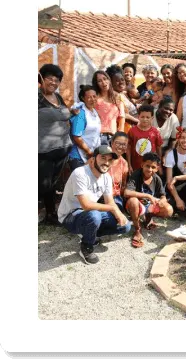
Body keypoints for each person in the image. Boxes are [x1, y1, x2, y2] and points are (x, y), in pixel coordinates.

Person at [57, 145, 132, 264]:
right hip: (70, 216)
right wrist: (113, 208)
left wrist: (118, 213)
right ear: (92, 160)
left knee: (125, 226)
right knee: (94, 216)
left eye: (110, 160)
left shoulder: (106, 177)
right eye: (103, 158)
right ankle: (86, 247)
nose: (106, 163)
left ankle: (89, 233)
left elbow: (109, 201)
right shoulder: (80, 173)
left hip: (89, 214)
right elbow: (86, 205)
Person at [38, 64, 73, 225]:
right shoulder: (37, 97)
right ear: (41, 79)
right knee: (43, 185)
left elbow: (64, 114)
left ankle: (51, 214)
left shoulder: (58, 97)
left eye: (57, 80)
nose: (53, 82)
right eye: (49, 78)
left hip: (62, 149)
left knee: (52, 184)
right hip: (44, 151)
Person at [124, 153, 174, 248]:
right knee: (133, 201)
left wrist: (162, 201)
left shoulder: (157, 179)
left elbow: (163, 196)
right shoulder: (136, 174)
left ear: (157, 168)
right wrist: (148, 196)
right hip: (135, 206)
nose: (150, 169)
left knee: (169, 210)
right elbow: (127, 192)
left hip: (148, 206)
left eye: (153, 167)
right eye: (147, 166)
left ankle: (148, 218)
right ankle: (137, 229)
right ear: (142, 165)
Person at [68, 85, 101, 171]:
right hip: (78, 156)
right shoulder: (80, 113)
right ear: (83, 98)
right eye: (89, 97)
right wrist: (89, 152)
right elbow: (76, 137)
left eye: (94, 96)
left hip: (91, 154)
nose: (92, 99)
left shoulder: (94, 111)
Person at [127, 104, 163, 172]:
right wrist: (129, 165)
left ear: (152, 118)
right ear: (138, 117)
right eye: (142, 117)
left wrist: (159, 164)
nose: (145, 119)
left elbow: (158, 148)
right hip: (135, 167)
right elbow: (128, 148)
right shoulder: (132, 131)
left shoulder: (155, 132)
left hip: (150, 168)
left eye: (147, 117)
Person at [92, 70, 125, 144]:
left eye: (105, 79)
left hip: (113, 136)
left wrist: (120, 135)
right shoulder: (94, 98)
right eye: (99, 81)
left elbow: (122, 117)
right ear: (96, 84)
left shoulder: (117, 96)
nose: (104, 82)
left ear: (109, 80)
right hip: (98, 135)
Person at [109, 68, 138, 133]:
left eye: (122, 79)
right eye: (117, 81)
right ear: (111, 83)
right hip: (125, 131)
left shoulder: (123, 94)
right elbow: (123, 115)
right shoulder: (114, 96)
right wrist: (140, 123)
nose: (121, 82)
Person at [108, 132, 129, 212]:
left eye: (124, 144)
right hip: (100, 195)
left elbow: (123, 185)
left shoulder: (124, 163)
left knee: (116, 209)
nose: (120, 146)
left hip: (115, 197)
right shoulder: (102, 158)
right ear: (112, 143)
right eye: (117, 143)